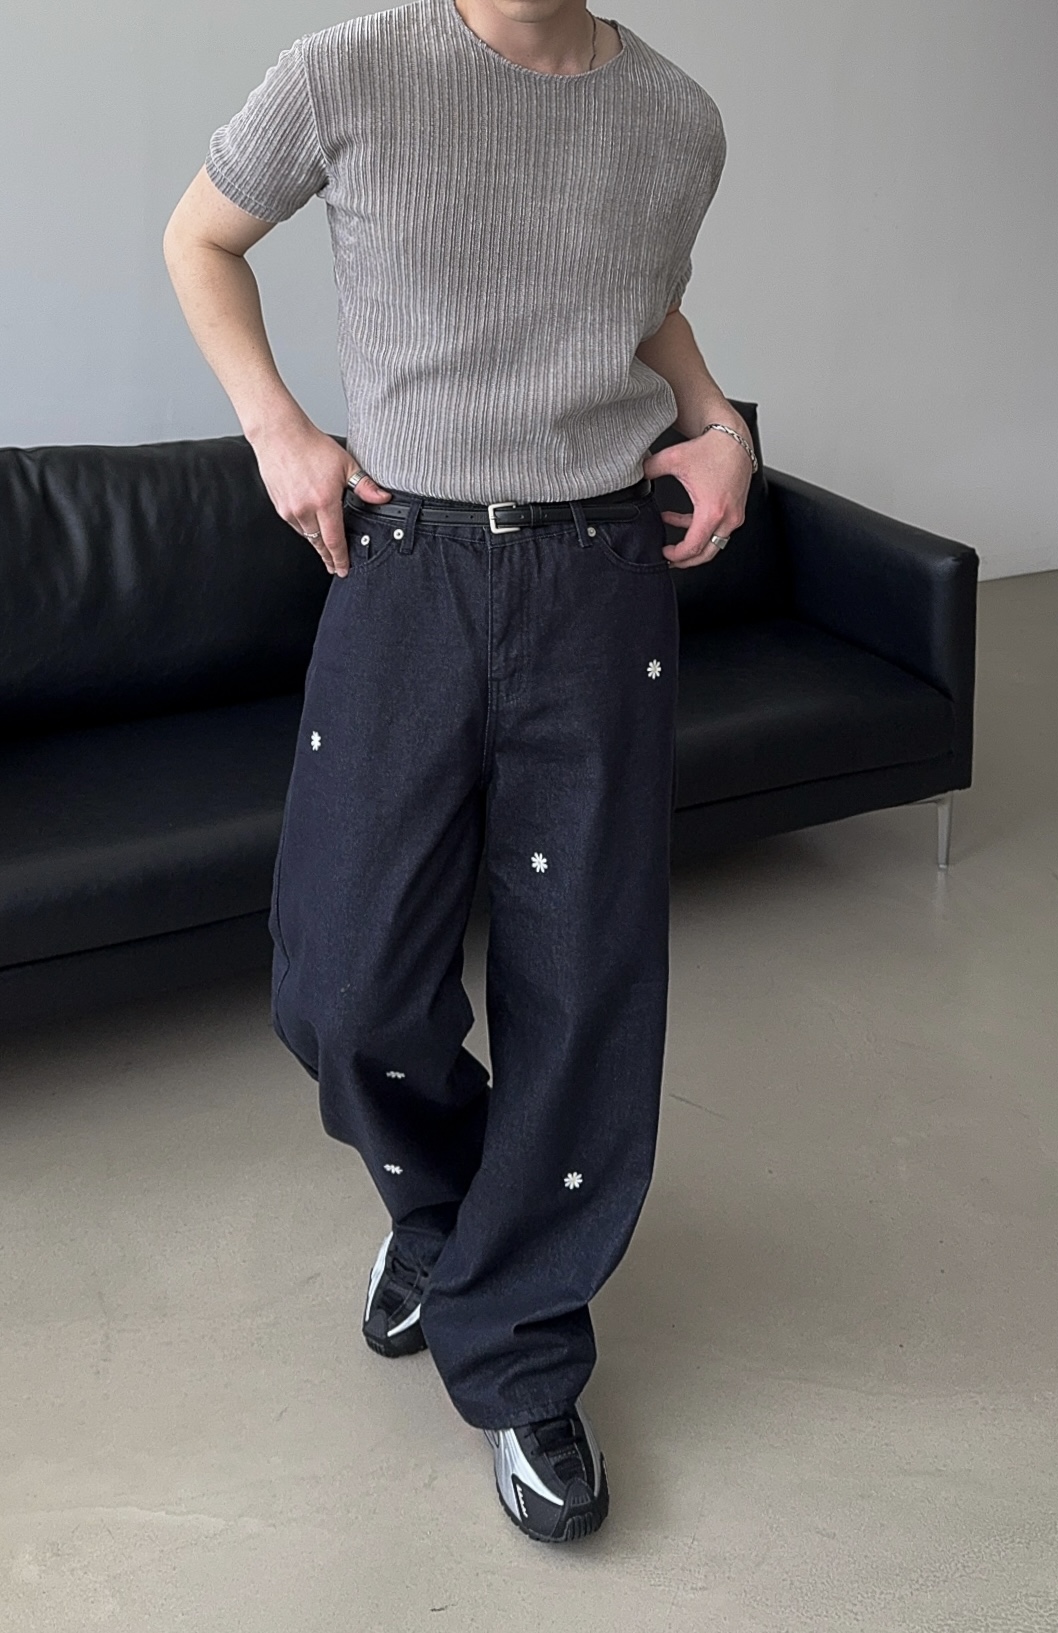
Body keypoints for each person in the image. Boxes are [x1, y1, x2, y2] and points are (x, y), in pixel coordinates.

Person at [164, 0, 753, 1544]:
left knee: (582, 985)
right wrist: (276, 429)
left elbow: (637, 302)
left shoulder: (676, 119)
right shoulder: (344, 73)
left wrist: (714, 422)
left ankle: (520, 1352)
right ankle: (452, 1219)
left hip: (601, 575)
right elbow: (199, 240)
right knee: (344, 985)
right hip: (407, 564)